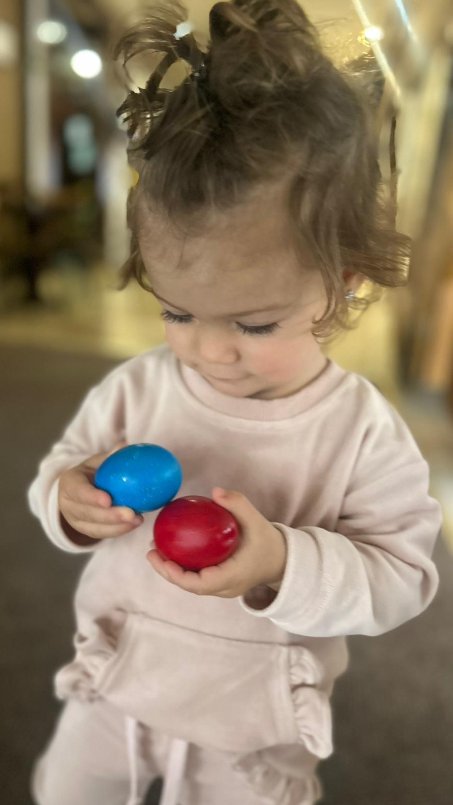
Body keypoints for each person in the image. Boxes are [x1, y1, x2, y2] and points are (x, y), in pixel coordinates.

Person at [28, 2, 442, 804]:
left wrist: (282, 561)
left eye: (254, 323)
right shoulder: (139, 386)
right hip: (115, 680)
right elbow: (58, 475)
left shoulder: (358, 433)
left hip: (253, 729)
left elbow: (401, 577)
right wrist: (71, 500)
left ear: (345, 280)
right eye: (177, 310)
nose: (208, 351)